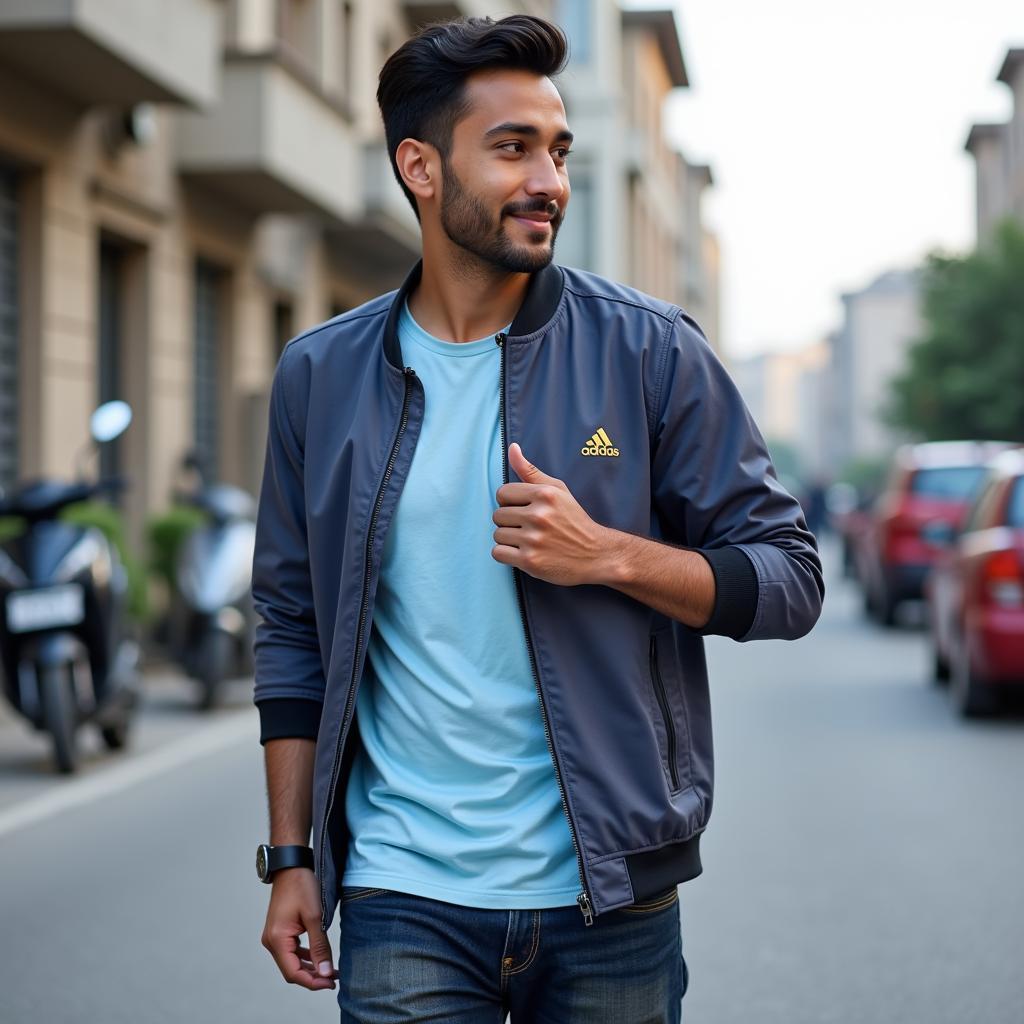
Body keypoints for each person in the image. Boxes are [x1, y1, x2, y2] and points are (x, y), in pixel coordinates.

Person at [251, 14, 823, 1023]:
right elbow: (291, 627)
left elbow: (787, 580)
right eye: (512, 148)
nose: (549, 180)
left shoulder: (648, 351)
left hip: (610, 894)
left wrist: (607, 555)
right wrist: (290, 857)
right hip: (401, 891)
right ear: (420, 167)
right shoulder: (322, 376)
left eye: (558, 151)